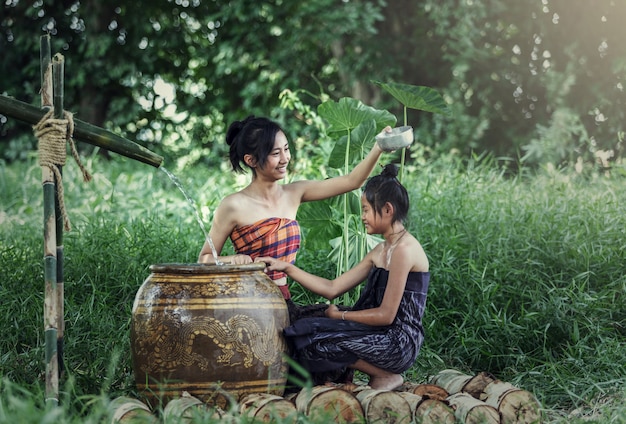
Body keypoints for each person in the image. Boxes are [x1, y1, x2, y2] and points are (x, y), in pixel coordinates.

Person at [255, 164, 429, 391]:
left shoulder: (405, 250)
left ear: (387, 210)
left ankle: (387, 375)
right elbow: (332, 287)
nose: (363, 216)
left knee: (320, 343)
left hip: (399, 342)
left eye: (366, 209)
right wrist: (286, 268)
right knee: (304, 331)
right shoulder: (381, 250)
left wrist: (342, 316)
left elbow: (386, 315)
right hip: (378, 333)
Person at [197, 115, 388, 315]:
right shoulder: (232, 205)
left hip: (283, 303)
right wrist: (233, 259)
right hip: (249, 305)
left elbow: (352, 181)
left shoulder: (295, 192)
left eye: (286, 149)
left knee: (350, 319)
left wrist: (379, 147)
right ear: (250, 160)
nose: (285, 159)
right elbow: (204, 259)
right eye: (275, 153)